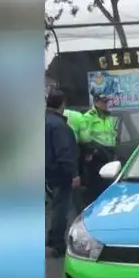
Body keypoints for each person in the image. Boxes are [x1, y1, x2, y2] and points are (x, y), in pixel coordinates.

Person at [45, 90, 80, 257]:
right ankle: (57, 243)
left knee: (56, 206)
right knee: (61, 209)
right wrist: (73, 174)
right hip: (60, 173)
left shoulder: (45, 121)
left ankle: (53, 238)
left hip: (49, 172)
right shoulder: (58, 125)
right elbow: (63, 152)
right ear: (62, 104)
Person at [78, 92, 118, 206]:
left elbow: (111, 134)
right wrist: (90, 151)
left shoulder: (107, 117)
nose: (106, 104)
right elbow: (84, 137)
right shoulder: (88, 117)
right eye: (103, 102)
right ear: (96, 102)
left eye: (107, 102)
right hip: (96, 156)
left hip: (109, 153)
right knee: (96, 186)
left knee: (108, 184)